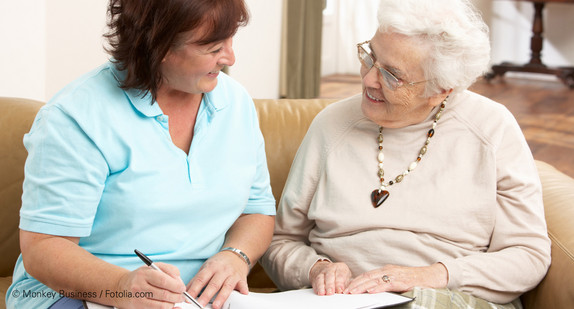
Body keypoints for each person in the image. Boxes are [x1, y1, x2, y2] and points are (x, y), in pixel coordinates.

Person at [260, 0, 551, 308]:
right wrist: (315, 269)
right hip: (339, 300)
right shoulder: (331, 125)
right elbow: (279, 241)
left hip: (449, 297)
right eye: (370, 57)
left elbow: (528, 256)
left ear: (442, 89)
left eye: (392, 75)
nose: (369, 79)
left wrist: (431, 276)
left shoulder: (492, 128)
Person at [6, 0, 276, 308]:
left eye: (230, 40)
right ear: (158, 46)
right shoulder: (75, 117)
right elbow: (43, 247)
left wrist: (235, 255)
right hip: (81, 294)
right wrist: (122, 286)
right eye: (213, 48)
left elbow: (257, 210)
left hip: (196, 298)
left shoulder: (236, 103)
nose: (230, 57)